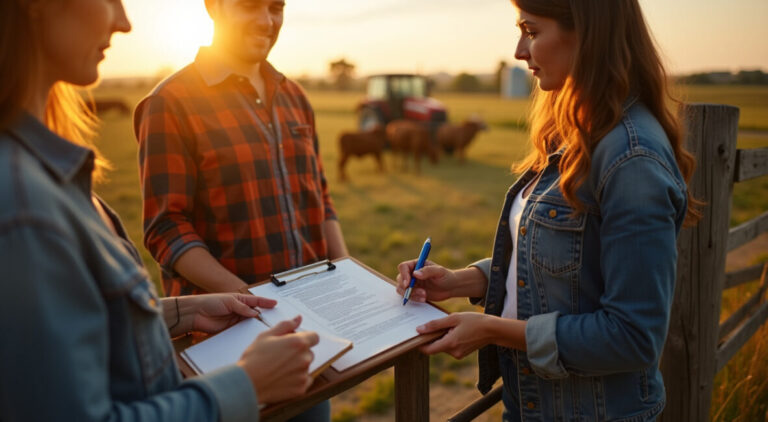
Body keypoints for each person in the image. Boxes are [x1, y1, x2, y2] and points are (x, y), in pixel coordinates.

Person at [0, 1, 319, 420]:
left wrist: (183, 311)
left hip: (291, 332)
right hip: (235, 363)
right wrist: (245, 384)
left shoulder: (47, 173)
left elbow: (92, 324)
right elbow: (166, 226)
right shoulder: (22, 205)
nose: (125, 21)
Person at [396, 0, 700, 420]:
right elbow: (565, 262)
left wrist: (489, 328)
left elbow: (634, 336)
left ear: (588, 35)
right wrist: (464, 280)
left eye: (532, 31)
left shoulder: (631, 159)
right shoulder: (575, 131)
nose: (520, 51)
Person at [133, 0, 347, 298]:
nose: (266, 22)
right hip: (227, 325)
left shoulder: (295, 97)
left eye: (276, 8)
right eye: (250, 5)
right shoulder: (169, 103)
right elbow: (167, 228)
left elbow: (320, 197)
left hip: (316, 306)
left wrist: (348, 273)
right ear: (213, 7)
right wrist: (252, 301)